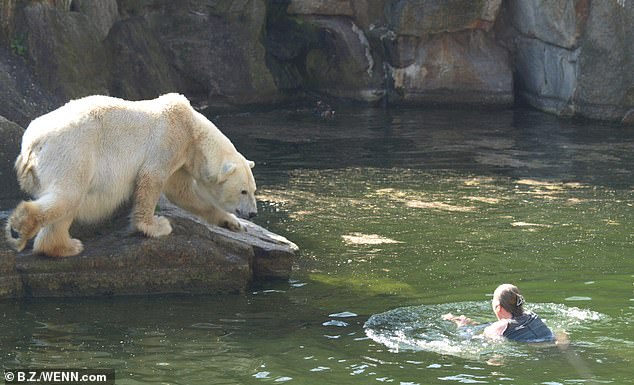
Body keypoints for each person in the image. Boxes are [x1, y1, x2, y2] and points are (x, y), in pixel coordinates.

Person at [443, 283, 556, 343]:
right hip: (551, 345)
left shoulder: (500, 326)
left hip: (537, 353)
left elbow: (470, 340)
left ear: (498, 307)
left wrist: (462, 326)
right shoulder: (532, 315)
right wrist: (473, 324)